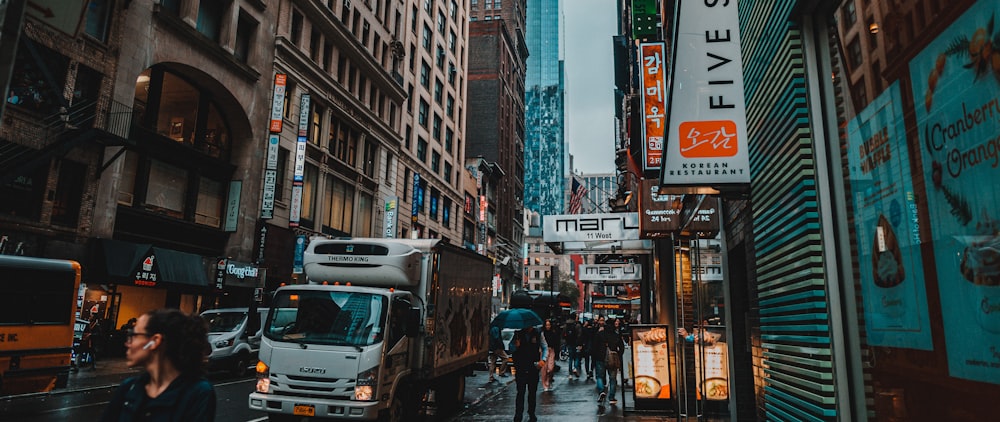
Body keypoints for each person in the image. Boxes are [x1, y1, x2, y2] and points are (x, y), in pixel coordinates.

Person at [100, 308, 216, 422]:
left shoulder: (197, 393)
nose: (127, 343)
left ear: (154, 341)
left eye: (134, 335)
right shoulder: (129, 387)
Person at [511, 324, 547, 422]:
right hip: (521, 367)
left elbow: (544, 347)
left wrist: (543, 360)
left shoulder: (538, 333)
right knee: (520, 392)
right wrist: (515, 346)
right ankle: (518, 414)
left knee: (532, 393)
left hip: (533, 367)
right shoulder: (518, 334)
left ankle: (531, 413)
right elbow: (511, 348)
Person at [593, 317, 624, 406]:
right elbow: (621, 347)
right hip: (613, 358)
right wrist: (618, 355)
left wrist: (594, 356)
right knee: (612, 378)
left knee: (599, 376)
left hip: (600, 358)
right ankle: (612, 397)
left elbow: (594, 346)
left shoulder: (600, 334)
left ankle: (601, 390)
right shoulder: (615, 335)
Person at [540, 319, 560, 392]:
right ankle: (545, 384)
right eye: (546, 325)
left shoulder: (553, 333)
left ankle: (549, 379)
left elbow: (556, 343)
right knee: (544, 369)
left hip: (551, 350)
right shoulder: (542, 334)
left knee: (550, 368)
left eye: (549, 325)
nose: (548, 326)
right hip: (543, 352)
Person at [563, 314, 583, 380]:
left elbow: (563, 334)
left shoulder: (566, 325)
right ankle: (575, 367)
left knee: (570, 358)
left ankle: (570, 374)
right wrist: (580, 343)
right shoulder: (577, 325)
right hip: (576, 343)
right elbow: (580, 335)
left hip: (569, 343)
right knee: (577, 357)